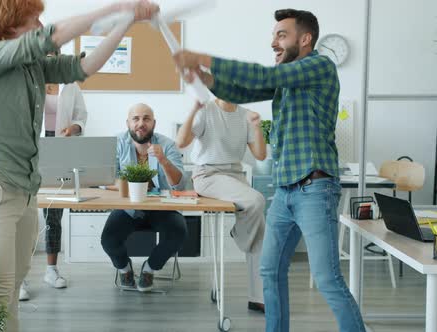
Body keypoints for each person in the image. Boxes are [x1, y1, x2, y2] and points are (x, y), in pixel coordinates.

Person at [0, 1, 159, 330]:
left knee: (11, 290)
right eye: (34, 18)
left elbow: (84, 67)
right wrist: (115, 7)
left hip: (25, 191)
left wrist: (125, 23)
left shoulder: (33, 67)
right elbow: (49, 37)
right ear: (12, 23)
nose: (40, 24)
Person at [172, 8, 365, 332]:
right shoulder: (287, 78)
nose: (273, 42)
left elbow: (264, 78)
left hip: (315, 188)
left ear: (305, 39)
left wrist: (201, 57)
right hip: (286, 192)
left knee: (327, 278)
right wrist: (204, 79)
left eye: (281, 35)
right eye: (273, 34)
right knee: (270, 271)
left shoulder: (319, 65)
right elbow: (242, 92)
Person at [175, 98, 267, 313]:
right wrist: (192, 111)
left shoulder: (246, 114)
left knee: (261, 232)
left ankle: (258, 298)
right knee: (257, 200)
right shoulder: (205, 110)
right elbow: (181, 142)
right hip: (208, 174)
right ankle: (240, 234)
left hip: (235, 175)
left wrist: (257, 127)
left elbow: (261, 155)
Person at [18, 51, 88, 301]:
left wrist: (74, 128)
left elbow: (81, 116)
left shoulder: (70, 85)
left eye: (52, 55)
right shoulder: (28, 80)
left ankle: (51, 269)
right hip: (30, 150)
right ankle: (20, 278)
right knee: (25, 214)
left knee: (54, 212)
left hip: (60, 149)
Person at [101, 103, 188, 293]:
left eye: (146, 119)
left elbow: (179, 184)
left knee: (179, 232)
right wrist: (130, 186)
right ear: (128, 123)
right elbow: (104, 177)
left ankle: (150, 268)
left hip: (161, 208)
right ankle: (125, 269)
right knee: (108, 239)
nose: (141, 123)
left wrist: (163, 160)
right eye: (136, 119)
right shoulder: (116, 142)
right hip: (129, 208)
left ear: (154, 123)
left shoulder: (167, 144)